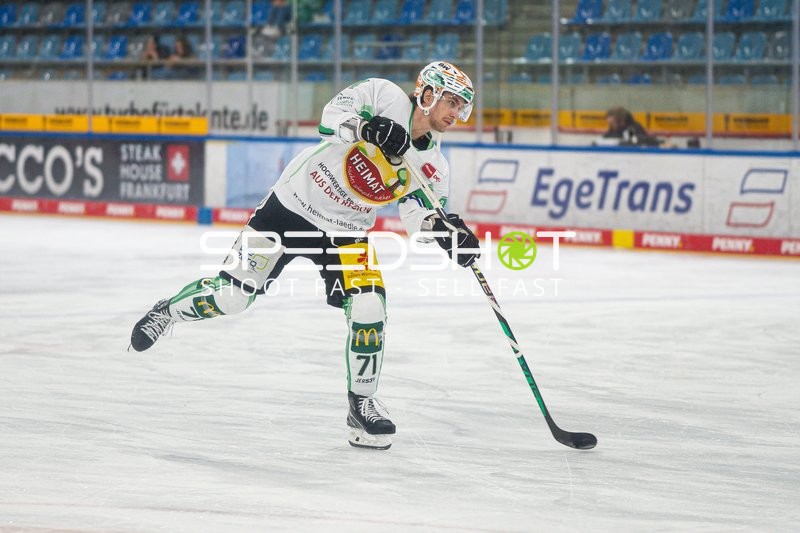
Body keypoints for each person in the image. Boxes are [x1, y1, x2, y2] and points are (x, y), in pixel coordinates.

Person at [129, 61, 481, 450]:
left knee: (370, 307)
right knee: (231, 297)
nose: (456, 114)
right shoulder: (382, 95)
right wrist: (367, 128)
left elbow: (418, 216)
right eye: (451, 102)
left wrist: (447, 234)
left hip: (346, 231)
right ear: (428, 94)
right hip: (290, 206)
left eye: (462, 106)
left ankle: (360, 405)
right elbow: (330, 118)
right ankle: (168, 311)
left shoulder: (433, 165)